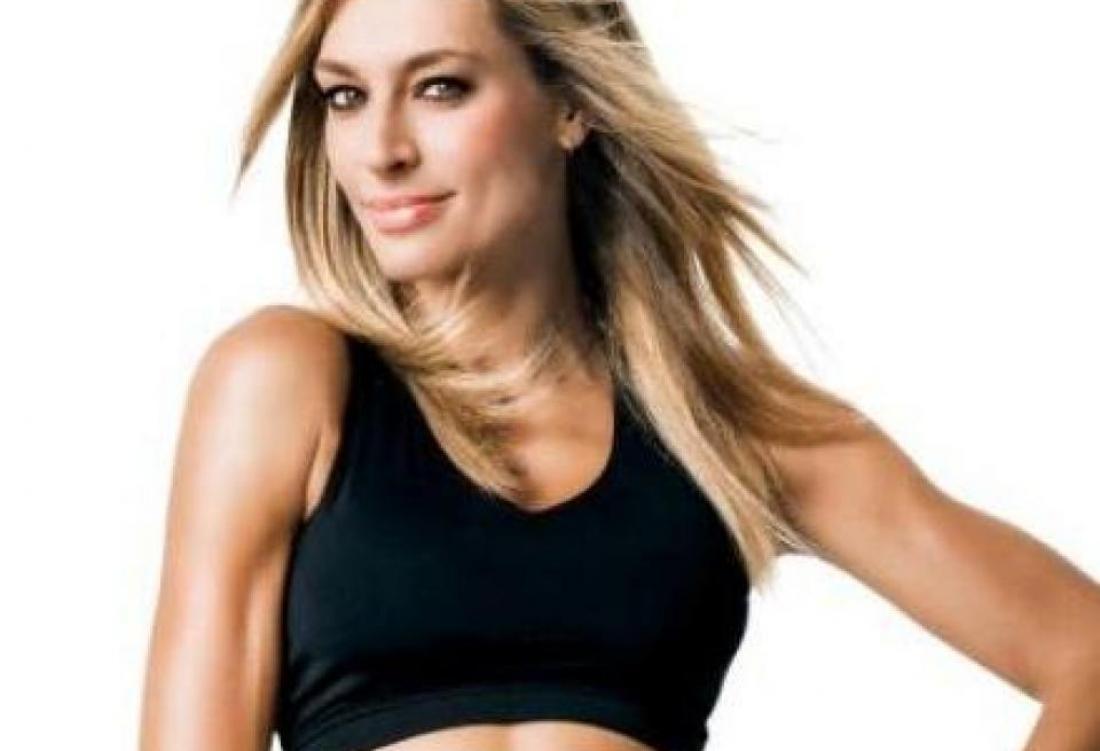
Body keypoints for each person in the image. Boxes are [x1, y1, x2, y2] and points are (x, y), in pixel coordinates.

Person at [138, 1, 1100, 749]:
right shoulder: (284, 383)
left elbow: (1085, 649)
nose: (382, 149)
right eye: (345, 96)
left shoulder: (724, 424)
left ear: (572, 104)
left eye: (440, 88)